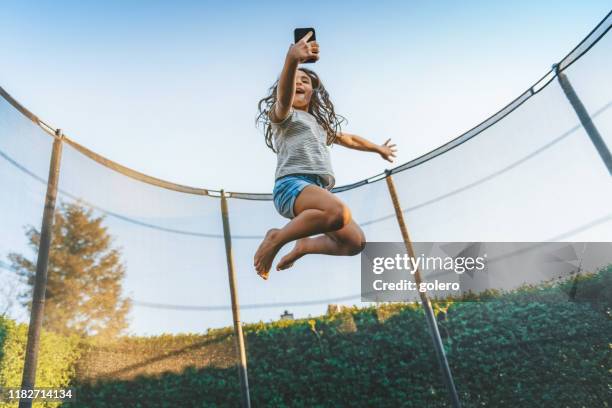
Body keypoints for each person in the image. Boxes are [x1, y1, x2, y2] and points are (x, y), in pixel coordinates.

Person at [254, 31, 397, 279]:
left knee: (355, 243)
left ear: (313, 92)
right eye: (294, 80)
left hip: (317, 190)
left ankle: (305, 245)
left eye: (305, 82)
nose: (299, 83)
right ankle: (277, 238)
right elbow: (283, 96)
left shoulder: (319, 125)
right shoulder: (283, 116)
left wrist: (378, 148)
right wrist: (292, 60)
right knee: (339, 213)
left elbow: (349, 138)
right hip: (292, 185)